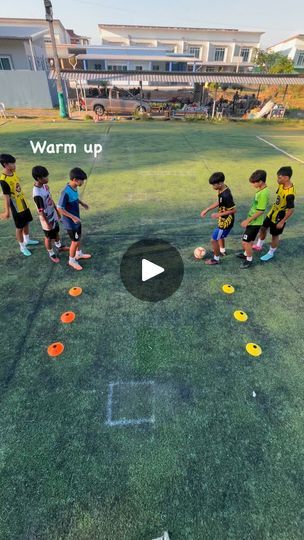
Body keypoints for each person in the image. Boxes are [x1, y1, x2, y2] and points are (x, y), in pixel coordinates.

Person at [253, 166, 295, 261]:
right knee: (263, 228)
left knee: (274, 235)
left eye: (279, 177)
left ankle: (270, 253)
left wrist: (282, 221)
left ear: (286, 178)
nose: (277, 179)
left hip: (280, 217)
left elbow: (291, 209)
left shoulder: (290, 194)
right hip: (272, 213)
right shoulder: (282, 185)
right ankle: (259, 245)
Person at [0, 153, 39, 256]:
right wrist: (7, 211)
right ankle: (22, 247)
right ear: (5, 164)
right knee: (19, 227)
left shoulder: (13, 173)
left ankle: (27, 240)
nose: (14, 165)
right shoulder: (3, 180)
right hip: (16, 207)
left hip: (23, 203)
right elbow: (6, 196)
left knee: (26, 222)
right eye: (12, 163)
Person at [32, 165, 69, 264]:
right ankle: (51, 252)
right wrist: (47, 223)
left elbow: (50, 199)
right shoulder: (37, 194)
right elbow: (41, 211)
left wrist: (57, 211)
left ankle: (59, 245)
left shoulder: (44, 186)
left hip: (53, 214)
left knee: (56, 231)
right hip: (46, 219)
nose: (47, 178)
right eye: (45, 177)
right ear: (39, 178)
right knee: (48, 237)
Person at [57, 167, 91, 271]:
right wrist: (72, 217)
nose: (83, 182)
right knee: (74, 241)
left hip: (76, 220)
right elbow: (59, 208)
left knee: (78, 238)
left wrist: (82, 203)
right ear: (75, 179)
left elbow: (75, 198)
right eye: (82, 180)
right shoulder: (65, 192)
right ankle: (71, 260)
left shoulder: (74, 187)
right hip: (71, 223)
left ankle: (78, 254)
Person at [201, 172, 236, 265]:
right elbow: (220, 202)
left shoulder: (226, 195)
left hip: (226, 222)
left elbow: (234, 210)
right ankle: (222, 250)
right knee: (219, 237)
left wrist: (218, 215)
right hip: (222, 218)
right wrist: (207, 209)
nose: (213, 187)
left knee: (214, 240)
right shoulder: (222, 189)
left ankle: (215, 259)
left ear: (220, 183)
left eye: (214, 185)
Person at [236, 170, 269, 269]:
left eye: (254, 182)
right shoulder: (261, 190)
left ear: (261, 182)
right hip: (254, 221)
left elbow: (260, 210)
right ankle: (246, 254)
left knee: (245, 242)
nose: (253, 184)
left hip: (255, 222)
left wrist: (248, 220)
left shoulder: (263, 193)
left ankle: (249, 260)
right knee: (248, 241)